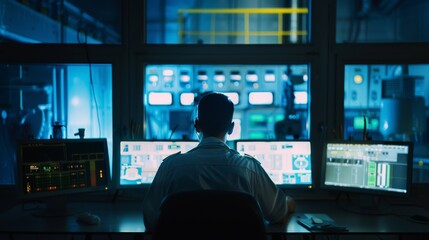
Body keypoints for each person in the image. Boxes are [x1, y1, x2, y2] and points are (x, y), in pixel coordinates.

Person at [142, 92, 295, 231]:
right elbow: (278, 215)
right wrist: (288, 202)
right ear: (231, 128)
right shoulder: (249, 169)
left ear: (196, 125)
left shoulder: (170, 167)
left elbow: (150, 221)